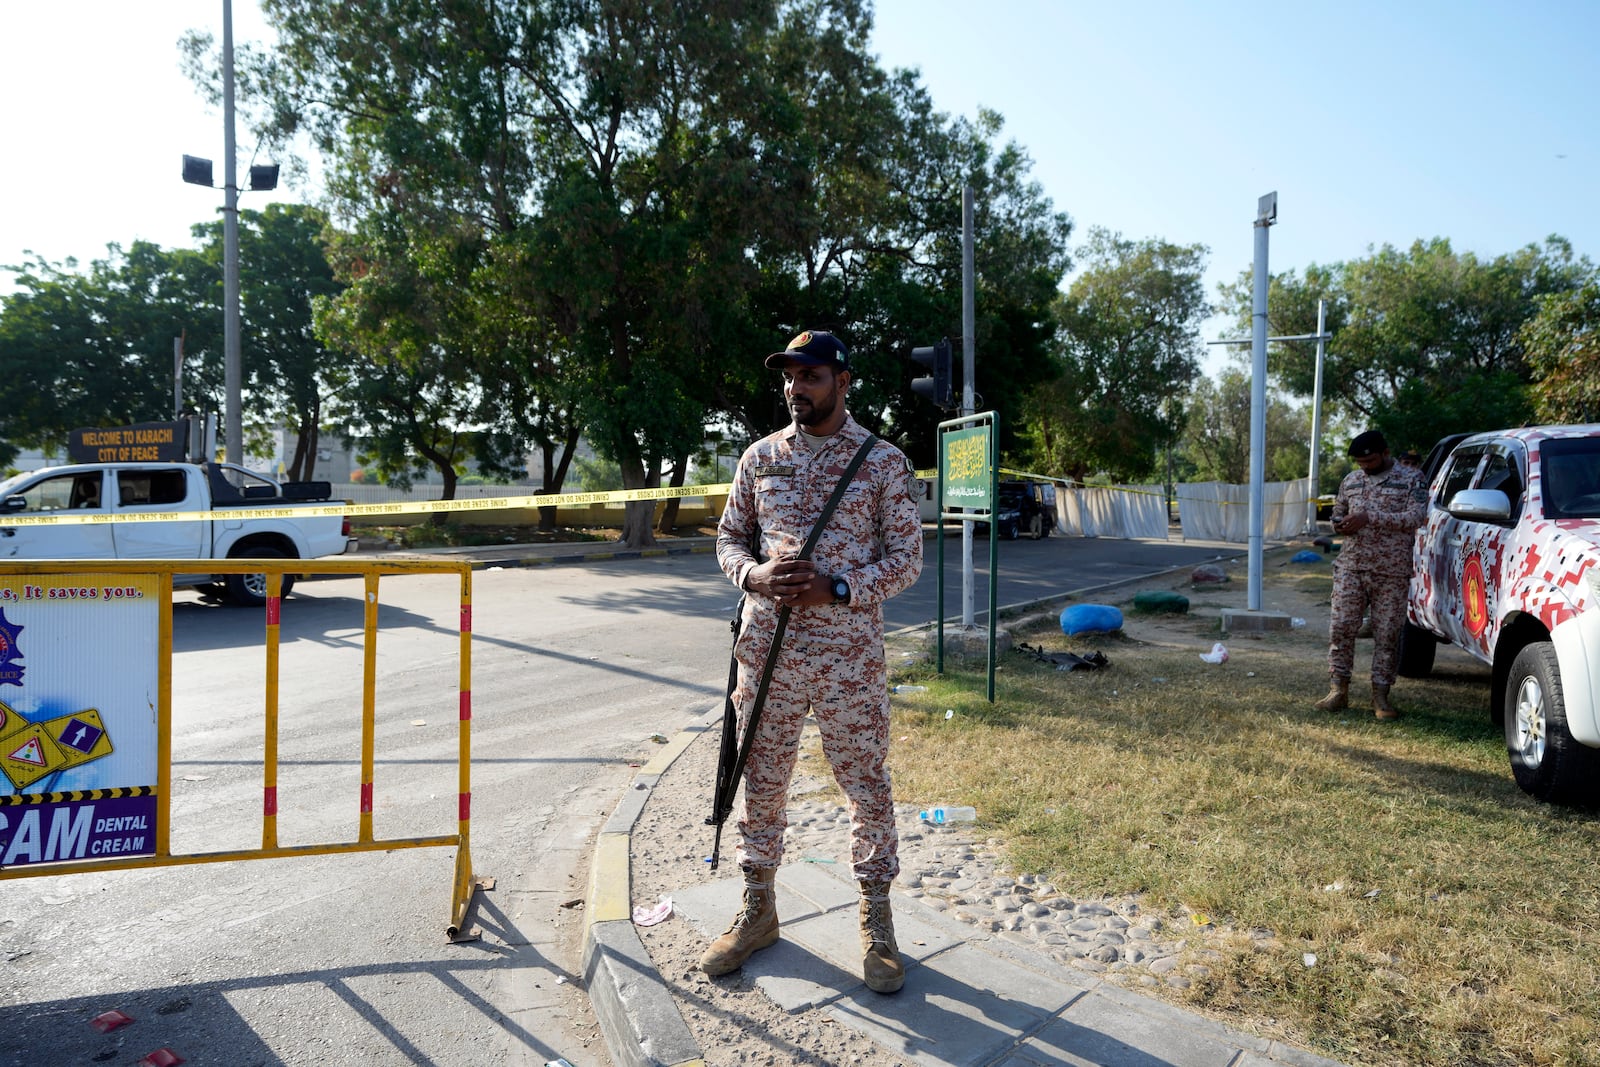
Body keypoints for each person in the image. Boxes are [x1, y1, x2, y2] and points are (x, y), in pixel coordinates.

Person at [703, 329, 924, 993]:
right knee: (761, 780)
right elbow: (729, 539)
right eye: (790, 377)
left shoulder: (882, 462)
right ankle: (758, 908)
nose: (797, 387)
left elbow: (908, 559)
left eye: (812, 376)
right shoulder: (760, 457)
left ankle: (877, 922)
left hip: (847, 658)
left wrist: (840, 587)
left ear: (842, 381)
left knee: (865, 784)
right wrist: (755, 576)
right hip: (766, 652)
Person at [1315, 430, 1427, 720]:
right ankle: (1338, 689)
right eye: (1360, 461)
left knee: (1387, 633)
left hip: (1391, 571)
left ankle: (1381, 695)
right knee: (1341, 627)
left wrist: (1369, 517)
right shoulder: (1351, 480)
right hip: (1351, 566)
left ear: (1386, 452)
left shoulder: (1412, 478)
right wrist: (1338, 523)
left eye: (1371, 460)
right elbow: (1338, 510)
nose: (1365, 465)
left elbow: (1416, 518)